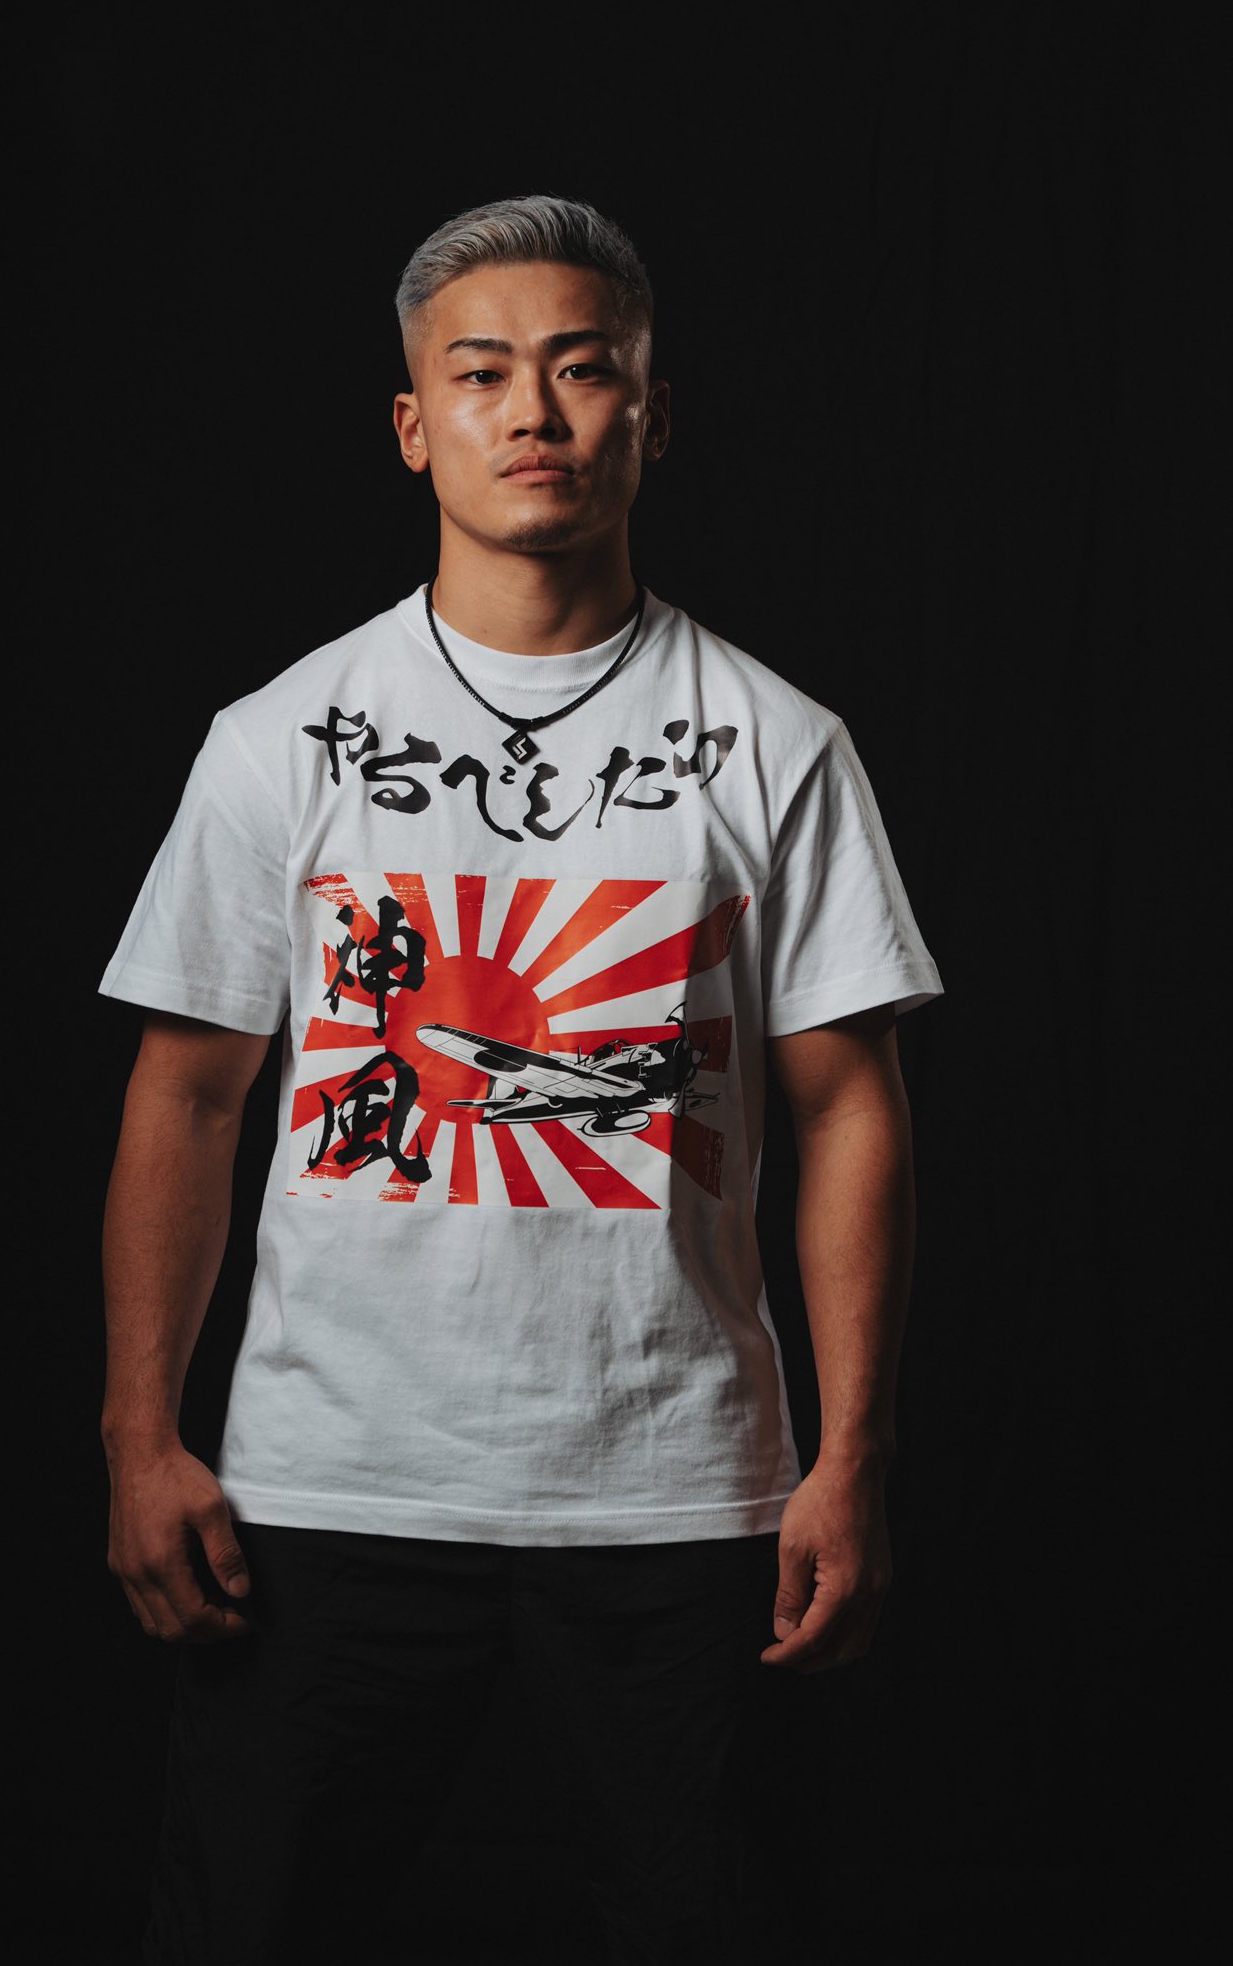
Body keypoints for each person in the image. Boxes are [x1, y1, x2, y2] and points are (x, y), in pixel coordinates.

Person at [100, 194, 942, 1964]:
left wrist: (849, 1456)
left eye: (582, 368)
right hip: (326, 1485)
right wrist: (137, 1435)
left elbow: (843, 1108)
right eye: (481, 375)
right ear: (416, 426)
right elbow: (187, 1096)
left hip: (683, 1495)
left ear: (653, 411)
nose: (533, 412)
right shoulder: (278, 740)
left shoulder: (777, 744)